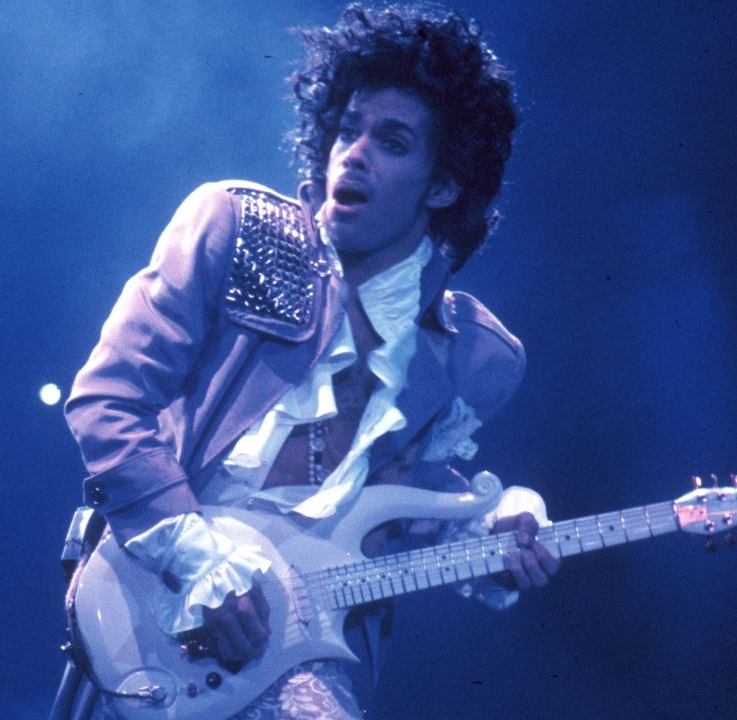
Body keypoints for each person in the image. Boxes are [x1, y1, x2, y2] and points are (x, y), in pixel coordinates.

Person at [50, 4, 559, 718]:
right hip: (156, 602)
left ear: (442, 185)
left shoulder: (474, 356)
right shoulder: (238, 229)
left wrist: (494, 519)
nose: (353, 152)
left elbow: (401, 497)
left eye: (392, 141)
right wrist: (199, 560)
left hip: (307, 651)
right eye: (348, 128)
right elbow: (108, 400)